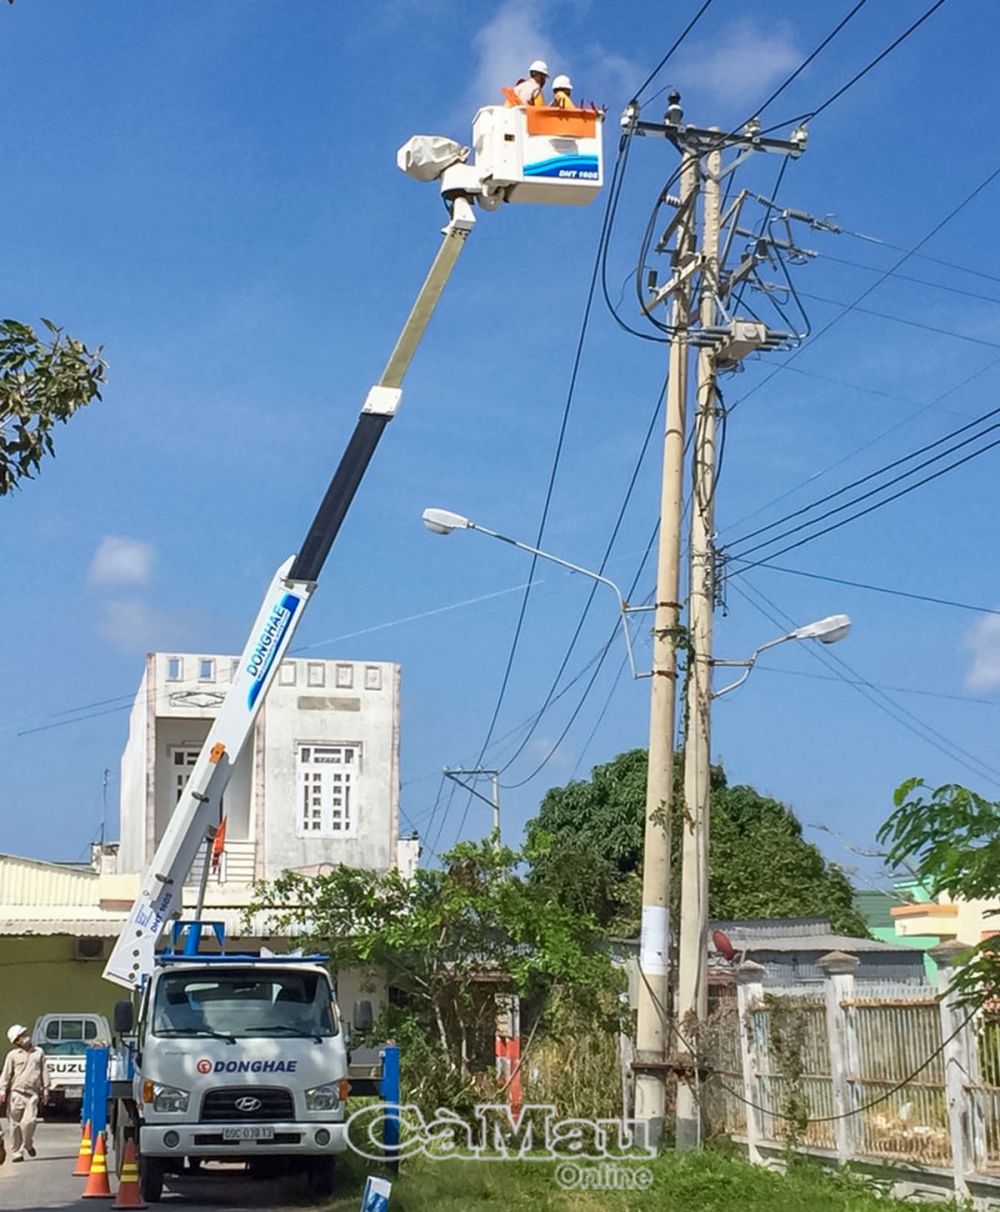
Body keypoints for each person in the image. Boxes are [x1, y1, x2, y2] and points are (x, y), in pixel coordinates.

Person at [0, 1025, 50, 1162]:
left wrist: (46, 1089)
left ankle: (28, 1144)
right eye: (21, 1035)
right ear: (16, 1041)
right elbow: (6, 1074)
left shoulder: (38, 1052)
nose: (25, 1036)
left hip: (32, 1094)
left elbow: (44, 1071)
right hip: (16, 1093)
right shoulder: (12, 1055)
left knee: (29, 1122)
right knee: (14, 1125)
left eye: (24, 1033)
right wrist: (2, 1090)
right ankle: (17, 1153)